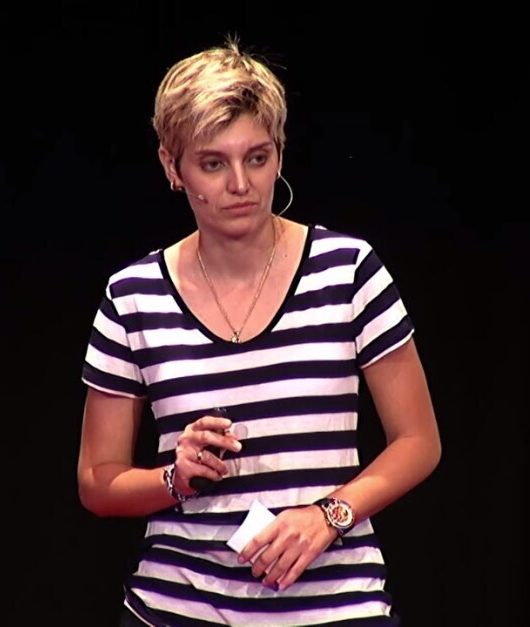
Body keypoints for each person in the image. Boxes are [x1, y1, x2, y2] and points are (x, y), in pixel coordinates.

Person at [78, 38, 441, 626]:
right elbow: (98, 482)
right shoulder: (133, 295)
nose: (241, 184)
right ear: (172, 166)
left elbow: (419, 441)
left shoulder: (348, 270)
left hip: (336, 608)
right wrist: (175, 478)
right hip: (176, 609)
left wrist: (329, 515)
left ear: (280, 152)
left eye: (257, 157)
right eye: (213, 163)